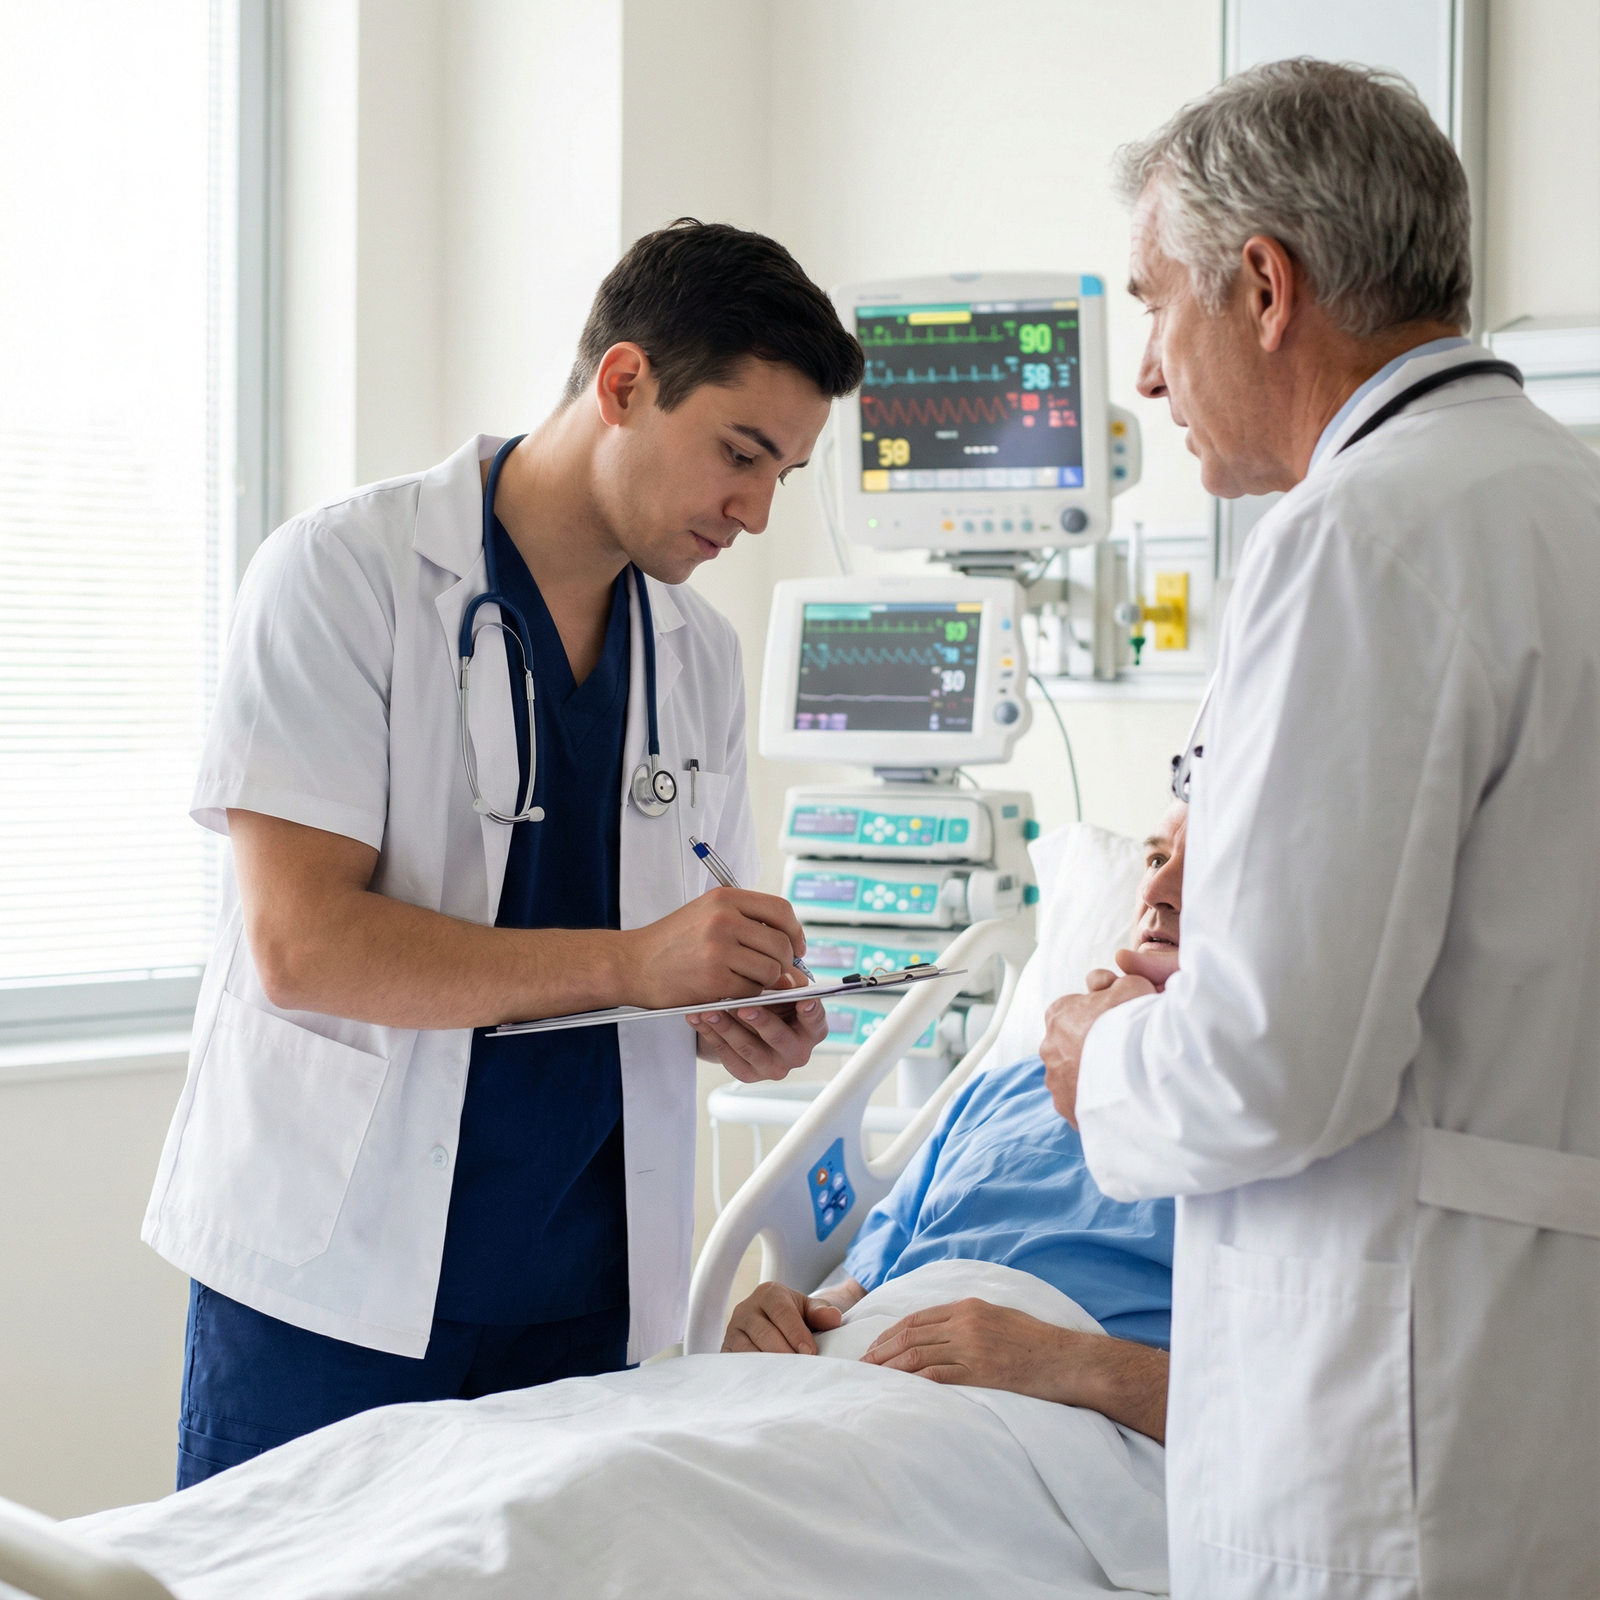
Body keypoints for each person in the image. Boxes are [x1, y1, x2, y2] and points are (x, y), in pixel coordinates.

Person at [143, 220, 863, 1487]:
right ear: (626, 382)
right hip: (338, 1285)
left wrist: (736, 1004)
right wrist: (643, 967)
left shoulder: (694, 654)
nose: (752, 511)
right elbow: (301, 946)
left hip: (585, 1291)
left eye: (782, 475)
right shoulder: (341, 576)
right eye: (739, 455)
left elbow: (676, 949)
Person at [1042, 61, 1600, 1597]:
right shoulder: (1565, 498)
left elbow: (1275, 1064)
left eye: (1156, 305)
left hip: (1385, 1432)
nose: (1147, 375)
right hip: (1531, 1404)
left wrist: (1101, 1066)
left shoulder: (1359, 538)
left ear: (1266, 287)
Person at [724, 804, 1189, 1446]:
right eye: (1158, 858)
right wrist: (777, 1321)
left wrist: (1062, 1360)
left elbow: (1279, 1419)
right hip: (856, 1390)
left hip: (1023, 1434)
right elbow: (849, 1299)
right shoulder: (1000, 1093)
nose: (1156, 892)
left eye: (1210, 867)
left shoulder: (1260, 1141)